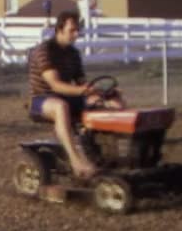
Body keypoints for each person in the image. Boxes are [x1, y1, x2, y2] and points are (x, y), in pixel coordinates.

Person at [27, 10, 125, 179]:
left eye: (77, 29)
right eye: (72, 30)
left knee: (113, 103)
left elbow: (81, 82)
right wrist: (84, 91)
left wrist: (102, 94)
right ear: (59, 29)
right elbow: (55, 85)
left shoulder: (74, 54)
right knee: (61, 106)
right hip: (42, 98)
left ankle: (114, 156)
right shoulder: (43, 51)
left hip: (69, 96)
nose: (77, 34)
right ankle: (75, 161)